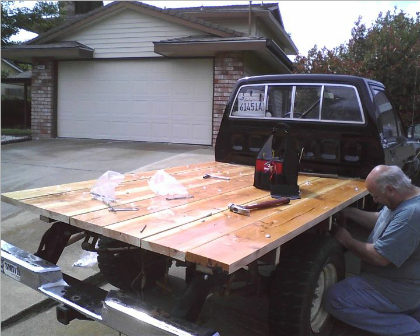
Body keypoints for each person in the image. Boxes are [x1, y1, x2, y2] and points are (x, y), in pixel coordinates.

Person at [323, 165, 420, 336]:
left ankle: (407, 328)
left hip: (397, 288)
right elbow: (380, 219)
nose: (374, 200)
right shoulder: (407, 196)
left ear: (390, 189)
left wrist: (348, 241)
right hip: (394, 280)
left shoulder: (411, 216)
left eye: (375, 196)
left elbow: (380, 257)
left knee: (334, 299)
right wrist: (350, 212)